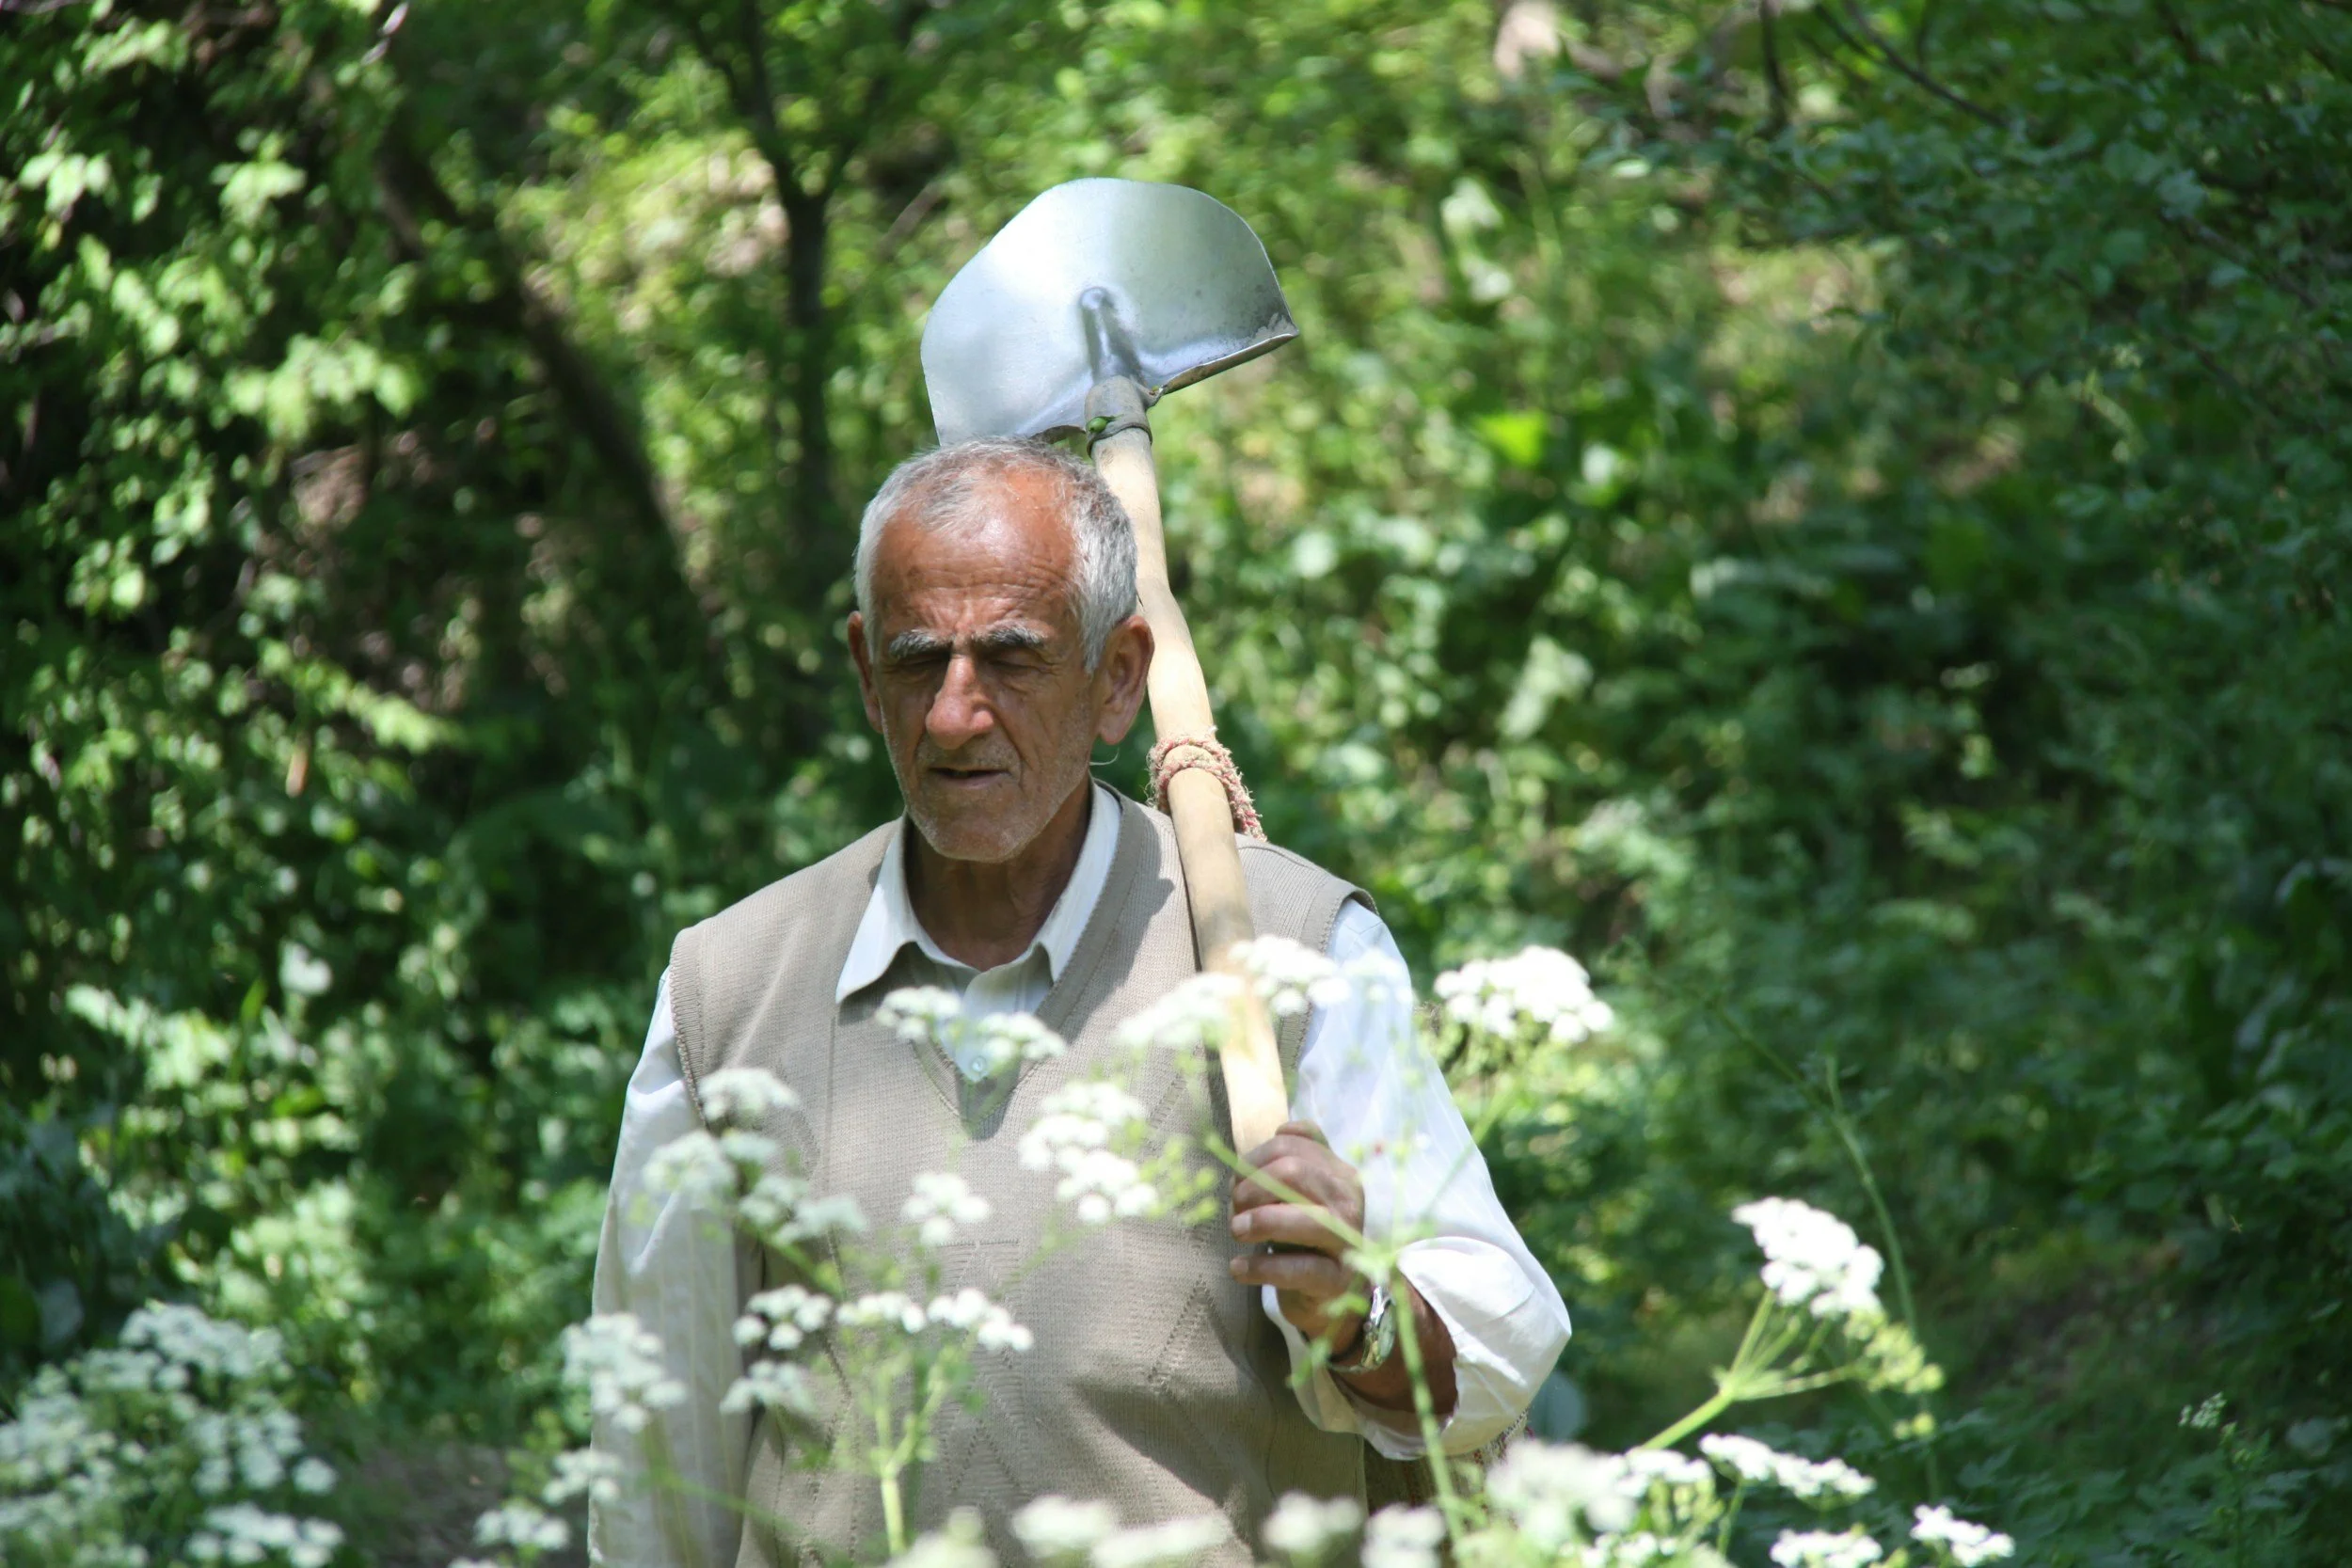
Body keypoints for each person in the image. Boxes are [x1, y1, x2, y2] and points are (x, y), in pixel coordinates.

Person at [590, 438, 1569, 1568]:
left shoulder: (1284, 959)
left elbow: (1498, 1345)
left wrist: (1359, 1308)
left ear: (1118, 679)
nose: (956, 715)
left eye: (1012, 658)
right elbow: (656, 1461)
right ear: (866, 672)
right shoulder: (732, 992)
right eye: (919, 662)